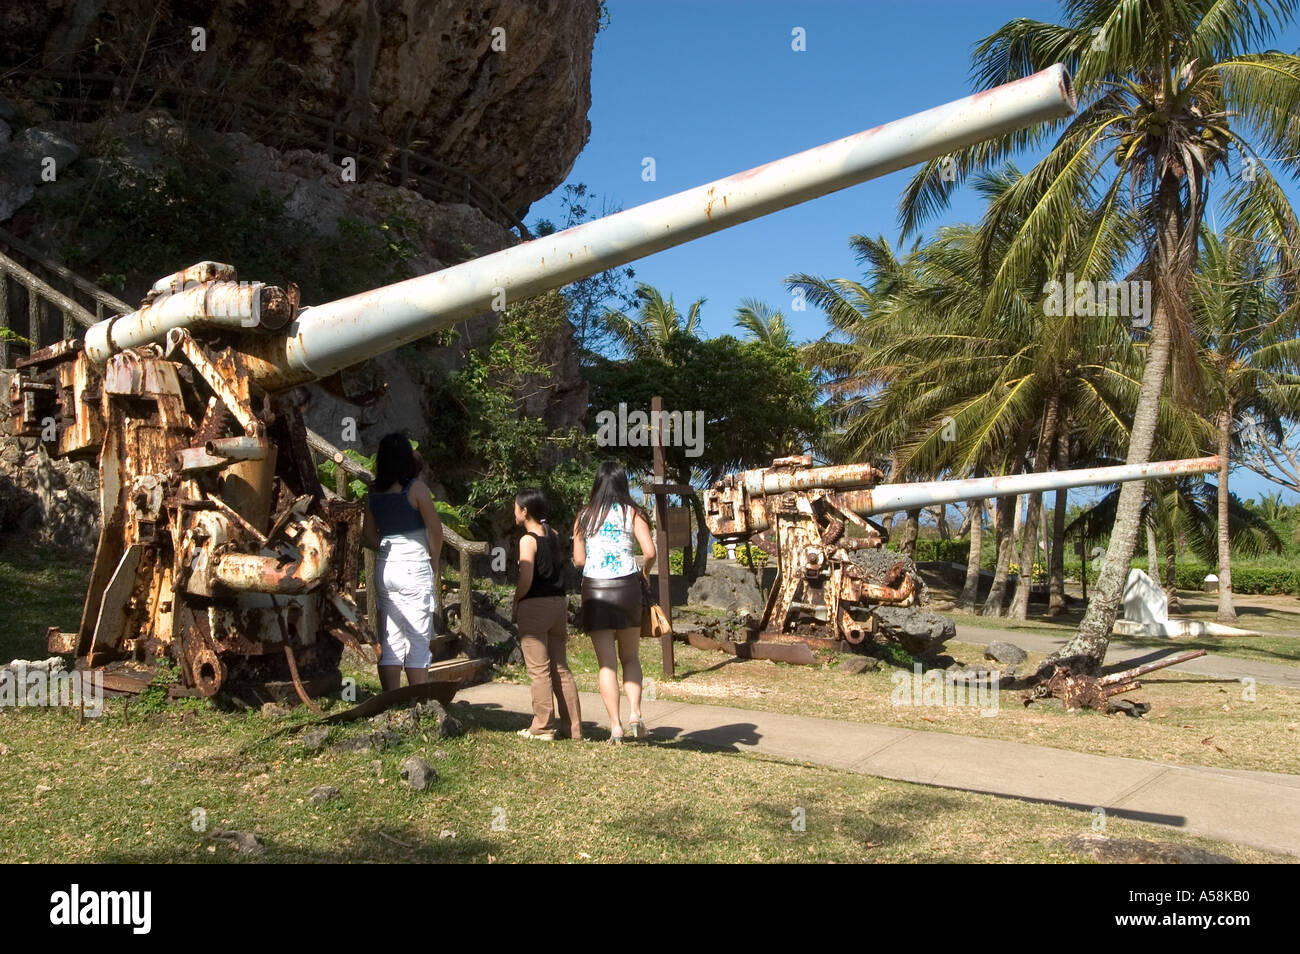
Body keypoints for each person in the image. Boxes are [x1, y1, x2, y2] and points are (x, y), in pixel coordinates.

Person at [572, 460, 656, 743]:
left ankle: (615, 726)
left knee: (606, 664)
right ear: (623, 483)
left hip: (595, 589)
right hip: (627, 587)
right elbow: (650, 551)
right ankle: (635, 714)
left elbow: (579, 560)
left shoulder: (583, 516)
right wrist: (643, 573)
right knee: (630, 657)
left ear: (597, 484)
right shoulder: (632, 513)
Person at [361, 433, 444, 692]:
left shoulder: (373, 492)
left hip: (386, 567)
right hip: (414, 566)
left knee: (391, 638)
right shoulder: (416, 489)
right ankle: (418, 700)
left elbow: (367, 537)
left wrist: (387, 547)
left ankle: (391, 699)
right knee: (418, 638)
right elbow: (436, 530)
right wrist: (435, 559)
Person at [511, 488, 582, 741]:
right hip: (558, 604)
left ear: (525, 511)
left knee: (539, 669)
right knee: (560, 667)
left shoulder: (527, 540)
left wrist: (516, 598)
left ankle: (542, 727)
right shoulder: (552, 535)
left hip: (535, 606)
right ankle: (573, 728)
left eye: (516, 507)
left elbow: (527, 578)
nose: (514, 512)